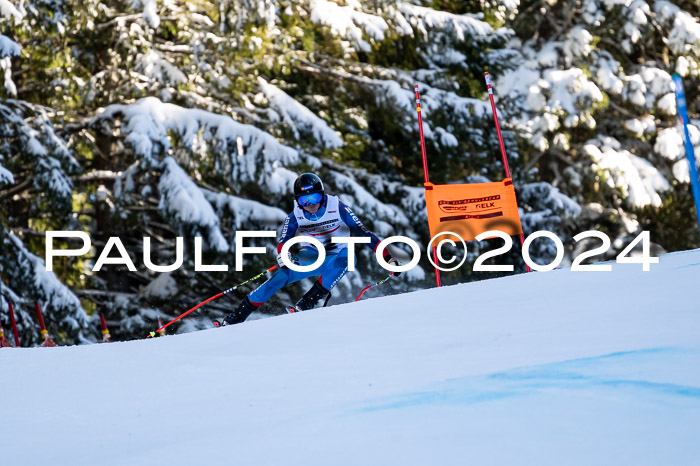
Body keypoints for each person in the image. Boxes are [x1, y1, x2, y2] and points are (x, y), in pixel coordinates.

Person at [220, 172, 400, 325]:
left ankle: (306, 303)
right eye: (304, 200)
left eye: (315, 198)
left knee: (348, 259)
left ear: (322, 195)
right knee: (278, 278)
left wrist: (388, 258)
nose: (310, 204)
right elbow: (284, 240)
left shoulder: (337, 207)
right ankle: (235, 318)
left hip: (338, 255)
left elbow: (364, 233)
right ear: (297, 201)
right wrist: (284, 255)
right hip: (312, 256)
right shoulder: (295, 215)